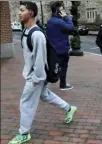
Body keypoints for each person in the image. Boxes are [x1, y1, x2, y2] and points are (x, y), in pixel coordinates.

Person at [9, 2, 77, 144]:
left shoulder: (37, 34)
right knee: (46, 96)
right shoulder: (26, 31)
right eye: (19, 10)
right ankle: (69, 108)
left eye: (22, 10)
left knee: (26, 102)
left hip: (36, 76)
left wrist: (36, 79)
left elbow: (40, 59)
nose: (19, 13)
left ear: (31, 13)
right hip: (34, 74)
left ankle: (24, 133)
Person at [46, 1, 74, 90]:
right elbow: (71, 27)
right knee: (63, 66)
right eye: (62, 9)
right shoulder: (59, 21)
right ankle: (63, 84)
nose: (63, 11)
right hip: (62, 49)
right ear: (57, 11)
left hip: (53, 49)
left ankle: (46, 84)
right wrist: (66, 17)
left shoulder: (50, 21)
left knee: (53, 67)